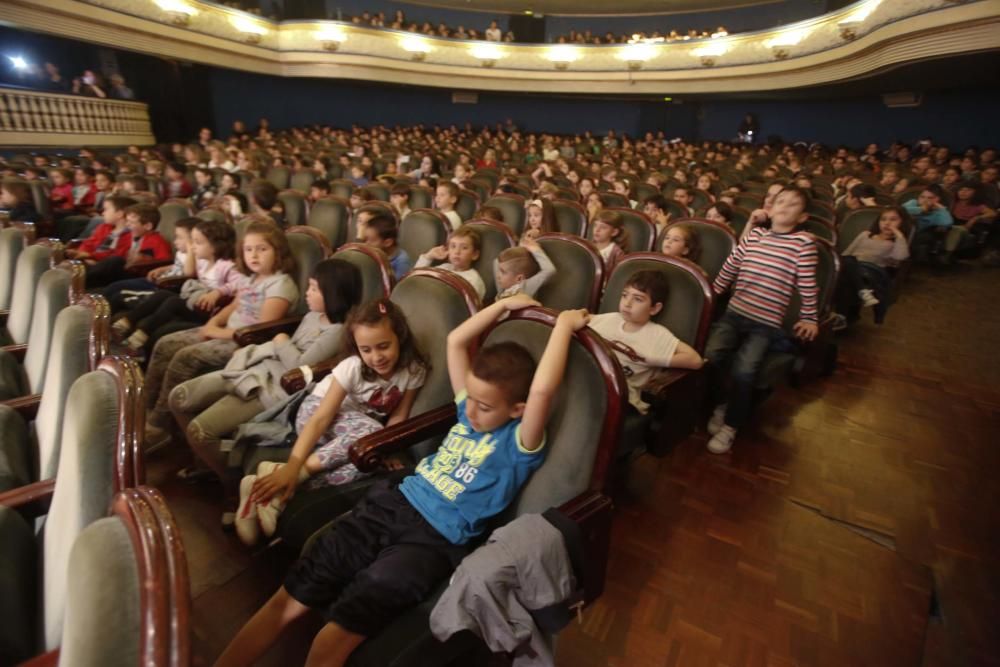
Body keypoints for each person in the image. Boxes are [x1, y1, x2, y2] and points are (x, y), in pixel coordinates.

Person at [214, 294, 588, 667]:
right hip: (393, 503)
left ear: (518, 411)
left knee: (341, 629)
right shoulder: (469, 409)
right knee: (289, 600)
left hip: (433, 541)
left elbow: (541, 389)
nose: (469, 412)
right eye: (469, 398)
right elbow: (456, 341)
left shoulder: (519, 442)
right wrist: (504, 306)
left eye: (484, 406)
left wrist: (562, 326)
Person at [235, 298, 429, 544]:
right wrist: (294, 465)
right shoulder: (352, 367)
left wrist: (389, 448)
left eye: (383, 346)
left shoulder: (413, 369)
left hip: (352, 433)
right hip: (317, 415)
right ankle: (294, 474)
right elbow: (320, 418)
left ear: (399, 338)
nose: (376, 357)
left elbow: (400, 415)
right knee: (371, 434)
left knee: (372, 456)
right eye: (366, 349)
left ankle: (267, 489)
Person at [169, 259, 363, 493]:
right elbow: (291, 353)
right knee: (178, 398)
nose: (307, 293)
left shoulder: (339, 330)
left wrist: (280, 340)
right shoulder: (314, 315)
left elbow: (300, 367)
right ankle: (209, 463)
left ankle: (230, 484)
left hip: (278, 388)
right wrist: (279, 345)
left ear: (333, 294)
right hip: (262, 369)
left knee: (200, 432)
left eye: (314, 288)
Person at [144, 221, 299, 450]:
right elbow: (235, 305)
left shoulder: (280, 285)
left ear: (279, 251)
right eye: (248, 249)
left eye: (262, 249)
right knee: (165, 343)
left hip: (245, 344)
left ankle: (160, 425)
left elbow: (261, 331)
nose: (254, 255)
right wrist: (213, 322)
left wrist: (217, 332)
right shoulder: (250, 277)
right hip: (224, 332)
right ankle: (146, 405)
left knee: (185, 357)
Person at [704, 186, 818, 455]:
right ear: (770, 207)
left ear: (802, 217)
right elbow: (730, 267)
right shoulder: (755, 235)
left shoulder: (803, 243)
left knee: (745, 370)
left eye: (793, 204)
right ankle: (722, 402)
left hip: (764, 323)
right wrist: (710, 296)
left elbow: (808, 286)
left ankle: (731, 425)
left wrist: (810, 318)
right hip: (735, 313)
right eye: (780, 201)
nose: (784, 206)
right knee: (711, 355)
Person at [115, 218, 241, 353]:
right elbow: (184, 267)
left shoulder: (226, 265)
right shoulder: (204, 262)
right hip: (194, 302)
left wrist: (218, 292)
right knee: (162, 295)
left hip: (208, 312)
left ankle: (140, 337)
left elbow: (237, 284)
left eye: (198, 243)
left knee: (173, 302)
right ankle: (127, 322)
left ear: (216, 246)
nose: (192, 247)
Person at [589, 270, 702, 417]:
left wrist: (649, 358)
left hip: (621, 397)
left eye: (638, 299)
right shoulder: (610, 319)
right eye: (624, 295)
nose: (627, 303)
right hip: (592, 381)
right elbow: (582, 317)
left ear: (655, 308)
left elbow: (695, 360)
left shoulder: (657, 334)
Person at [833, 206, 911, 328]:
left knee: (847, 269)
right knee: (847, 262)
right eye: (883, 219)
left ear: (902, 222)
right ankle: (859, 296)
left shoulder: (896, 243)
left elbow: (900, 257)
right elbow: (847, 253)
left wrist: (899, 235)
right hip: (851, 267)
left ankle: (845, 314)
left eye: (893, 220)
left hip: (872, 273)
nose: (887, 223)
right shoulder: (865, 235)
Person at [82, 202, 172, 287]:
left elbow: (164, 261)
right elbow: (116, 253)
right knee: (110, 262)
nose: (127, 225)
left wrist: (144, 261)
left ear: (148, 226)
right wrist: (92, 256)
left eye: (132, 222)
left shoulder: (157, 241)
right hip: (126, 270)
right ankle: (80, 280)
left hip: (139, 275)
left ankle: (80, 282)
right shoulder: (130, 236)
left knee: (115, 261)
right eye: (127, 221)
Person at [415, 225, 486, 299]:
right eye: (453, 246)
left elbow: (470, 307)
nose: (457, 252)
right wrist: (428, 256)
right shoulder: (444, 268)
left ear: (475, 254)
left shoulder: (473, 281)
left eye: (464, 248)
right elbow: (416, 278)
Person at [904, 185, 954, 262]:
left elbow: (947, 222)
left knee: (921, 237)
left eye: (930, 198)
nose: (925, 200)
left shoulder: (937, 213)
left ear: (937, 199)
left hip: (916, 233)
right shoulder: (913, 202)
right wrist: (921, 209)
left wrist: (941, 208)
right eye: (922, 197)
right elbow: (901, 210)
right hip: (901, 228)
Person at [361, 214, 412, 278]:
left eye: (371, 240)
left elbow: (397, 286)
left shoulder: (402, 261)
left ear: (387, 242)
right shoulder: (370, 253)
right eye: (366, 239)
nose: (366, 244)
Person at [590, 209, 629, 275]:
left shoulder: (617, 253)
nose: (597, 230)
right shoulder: (588, 246)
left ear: (614, 232)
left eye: (603, 227)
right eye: (595, 225)